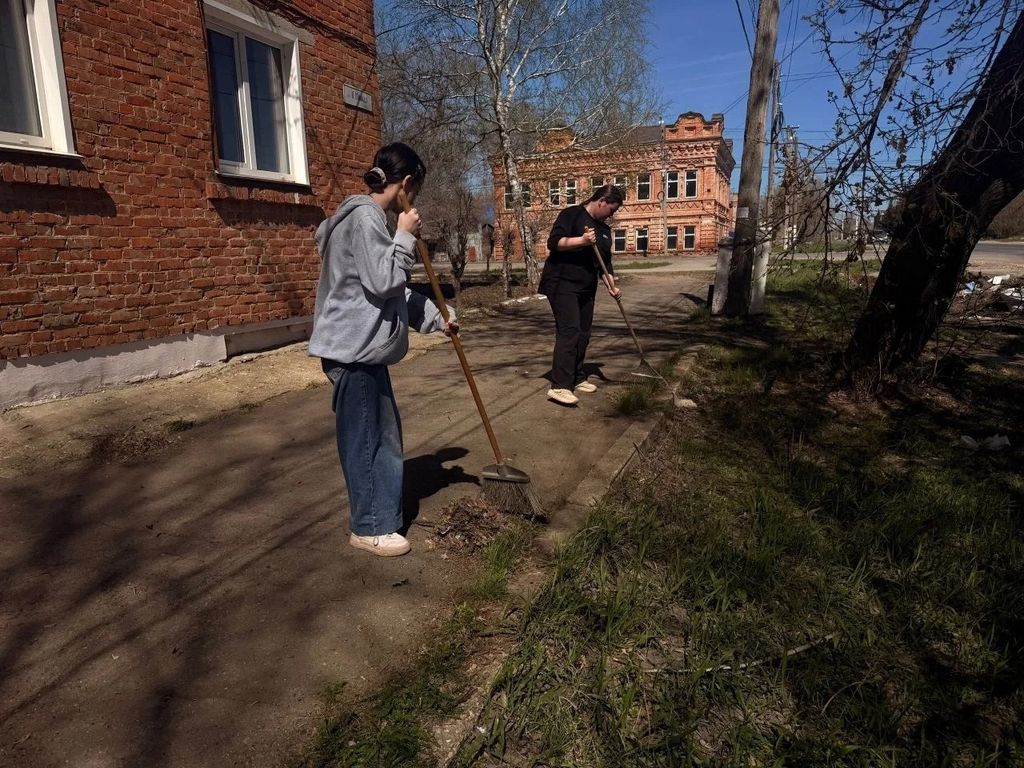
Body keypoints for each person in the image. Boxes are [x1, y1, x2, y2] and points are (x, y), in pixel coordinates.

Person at [310, 143, 455, 557]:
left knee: (382, 434)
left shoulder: (364, 219)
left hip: (362, 347)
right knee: (369, 439)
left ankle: (375, 518)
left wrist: (438, 317)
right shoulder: (366, 218)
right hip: (354, 351)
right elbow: (383, 281)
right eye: (416, 192)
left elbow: (387, 296)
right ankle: (370, 527)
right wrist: (405, 237)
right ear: (406, 184)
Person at [538, 184, 624, 405]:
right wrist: (582, 241)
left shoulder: (604, 230)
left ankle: (576, 377)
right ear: (602, 201)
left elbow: (605, 263)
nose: (611, 215)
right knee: (570, 330)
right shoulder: (572, 214)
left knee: (584, 333)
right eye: (611, 210)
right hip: (561, 283)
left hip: (586, 286)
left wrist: (611, 286)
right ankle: (559, 385)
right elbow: (554, 243)